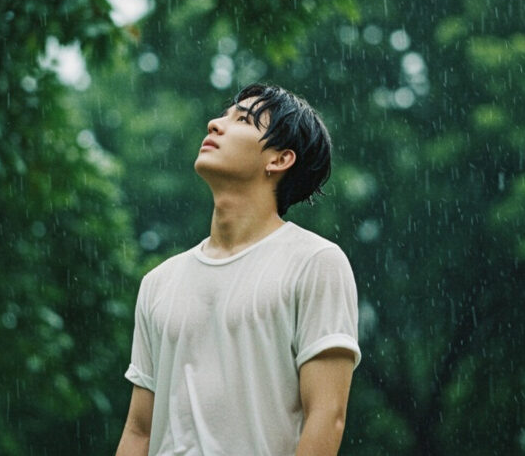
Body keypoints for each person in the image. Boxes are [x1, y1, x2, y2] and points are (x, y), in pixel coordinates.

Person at [115, 84, 361, 456]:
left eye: (243, 119)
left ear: (279, 160)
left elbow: (327, 416)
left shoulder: (315, 262)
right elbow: (139, 430)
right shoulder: (158, 282)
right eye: (223, 115)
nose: (215, 124)